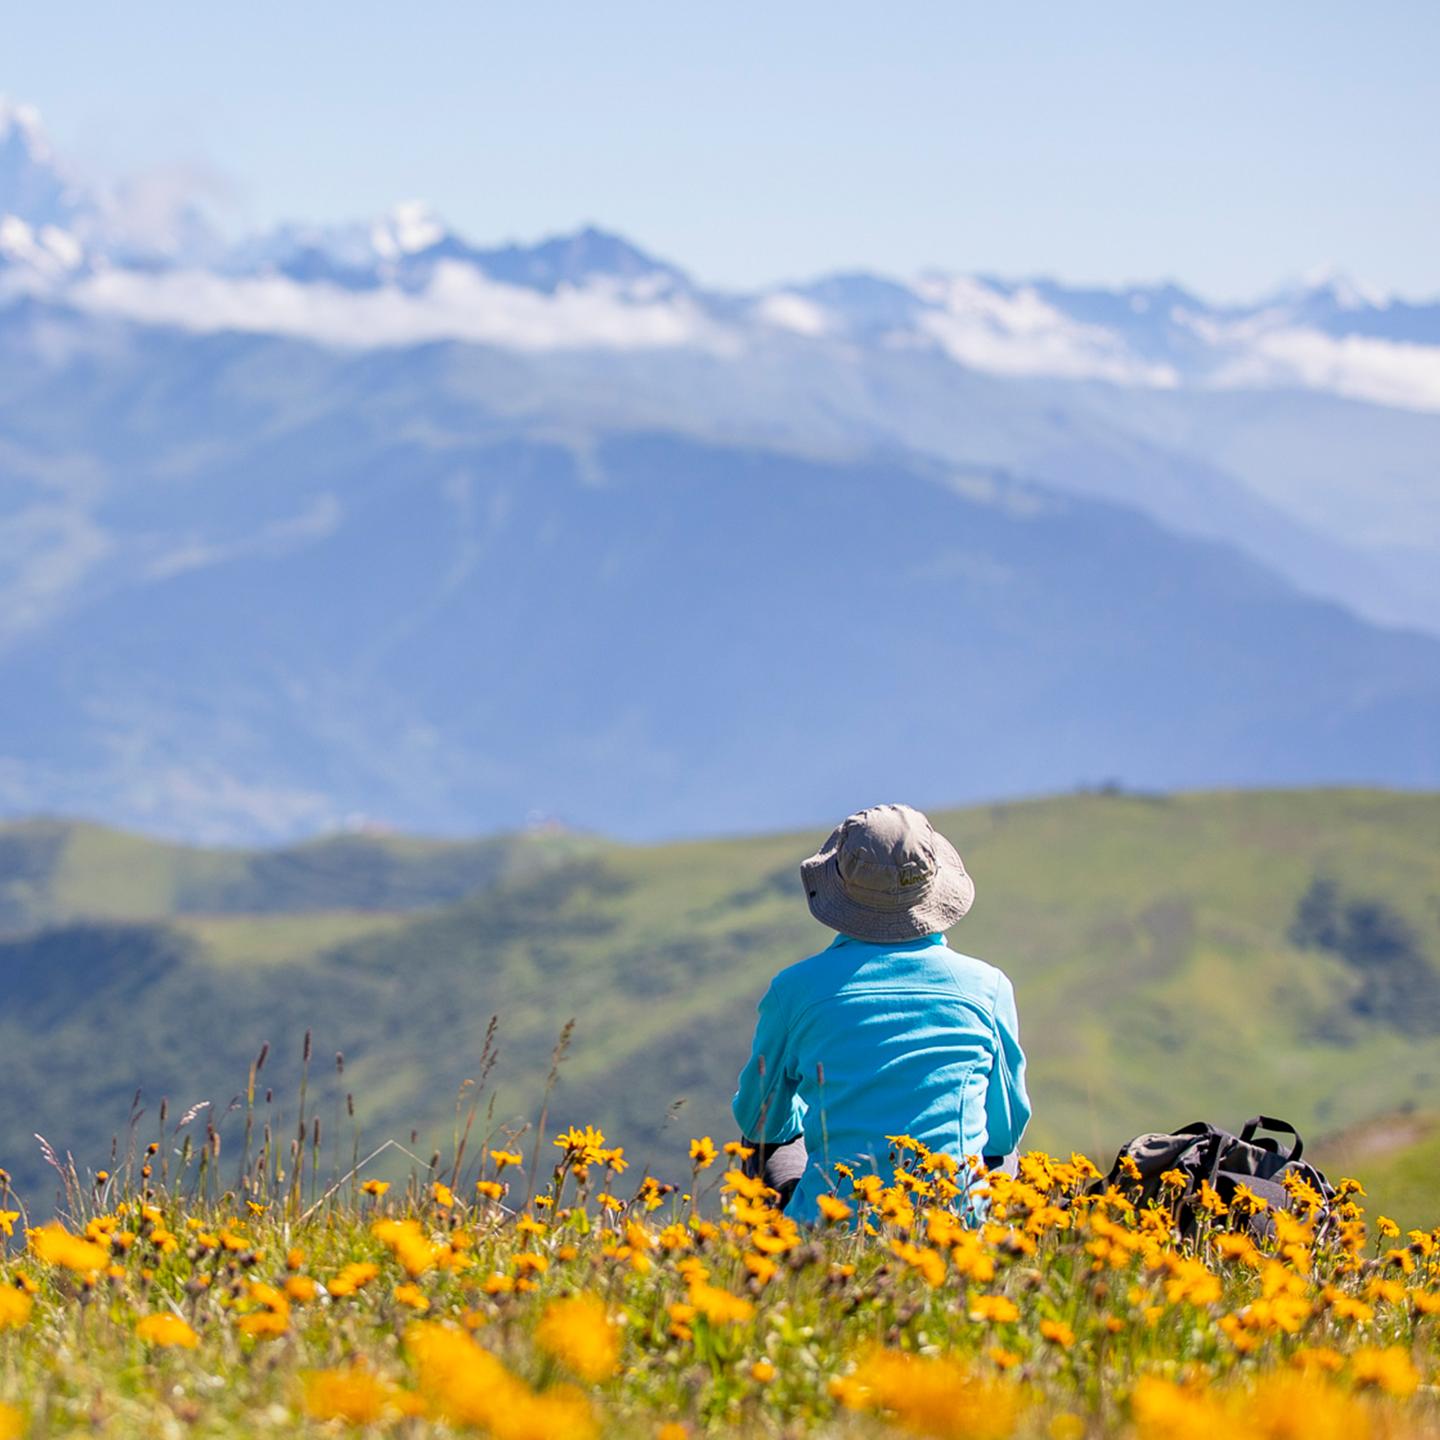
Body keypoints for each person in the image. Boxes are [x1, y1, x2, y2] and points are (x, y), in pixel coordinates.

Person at [731, 803, 1030, 1221]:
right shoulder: (987, 987)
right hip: (951, 1226)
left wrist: (810, 1112)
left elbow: (760, 1120)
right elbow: (1004, 1130)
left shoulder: (795, 989)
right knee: (1004, 1151)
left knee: (766, 1140)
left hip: (829, 1224)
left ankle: (774, 1257)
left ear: (840, 886)